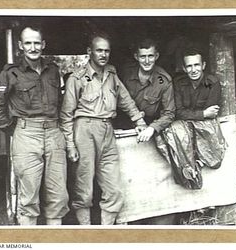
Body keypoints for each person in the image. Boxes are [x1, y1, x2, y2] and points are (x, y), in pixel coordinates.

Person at [60, 32, 147, 225]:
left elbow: (126, 101)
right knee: (84, 188)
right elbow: (66, 115)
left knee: (114, 188)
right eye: (99, 50)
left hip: (108, 130)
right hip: (84, 130)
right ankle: (86, 232)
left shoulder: (111, 75)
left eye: (107, 51)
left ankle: (105, 231)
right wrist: (70, 145)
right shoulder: (77, 78)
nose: (103, 54)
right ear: (89, 51)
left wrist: (139, 122)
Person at [0, 26, 69, 225]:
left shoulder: (53, 71)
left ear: (43, 45)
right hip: (26, 134)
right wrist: (11, 128)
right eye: (28, 43)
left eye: (37, 42)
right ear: (20, 46)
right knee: (29, 196)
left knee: (58, 195)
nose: (33, 47)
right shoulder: (10, 73)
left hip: (54, 133)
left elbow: (60, 102)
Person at [119, 38, 176, 224]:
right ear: (136, 56)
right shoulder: (125, 74)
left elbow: (169, 113)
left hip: (149, 129)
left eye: (151, 56)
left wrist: (152, 128)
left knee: (147, 173)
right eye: (143, 56)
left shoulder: (164, 80)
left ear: (157, 56)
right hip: (123, 124)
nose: (147, 61)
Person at [163, 47, 226, 189]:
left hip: (204, 128)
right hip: (186, 125)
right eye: (189, 66)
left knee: (215, 160)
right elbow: (178, 112)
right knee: (176, 130)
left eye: (196, 65)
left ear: (203, 65)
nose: (193, 70)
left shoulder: (212, 83)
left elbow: (212, 112)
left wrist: (194, 115)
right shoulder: (179, 83)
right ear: (184, 69)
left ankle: (200, 162)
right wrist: (202, 114)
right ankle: (190, 173)